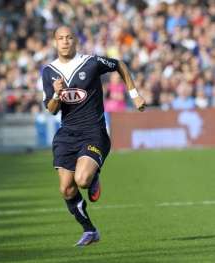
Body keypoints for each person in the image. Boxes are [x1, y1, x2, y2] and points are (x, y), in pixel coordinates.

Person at [42, 26, 146, 248]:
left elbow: (118, 64)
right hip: (66, 134)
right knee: (66, 189)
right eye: (60, 38)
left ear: (75, 41)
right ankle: (90, 230)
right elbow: (51, 109)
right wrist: (56, 94)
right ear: (55, 42)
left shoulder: (90, 63)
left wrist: (134, 94)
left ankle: (94, 174)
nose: (65, 41)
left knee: (82, 180)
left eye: (69, 37)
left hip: (93, 132)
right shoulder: (48, 71)